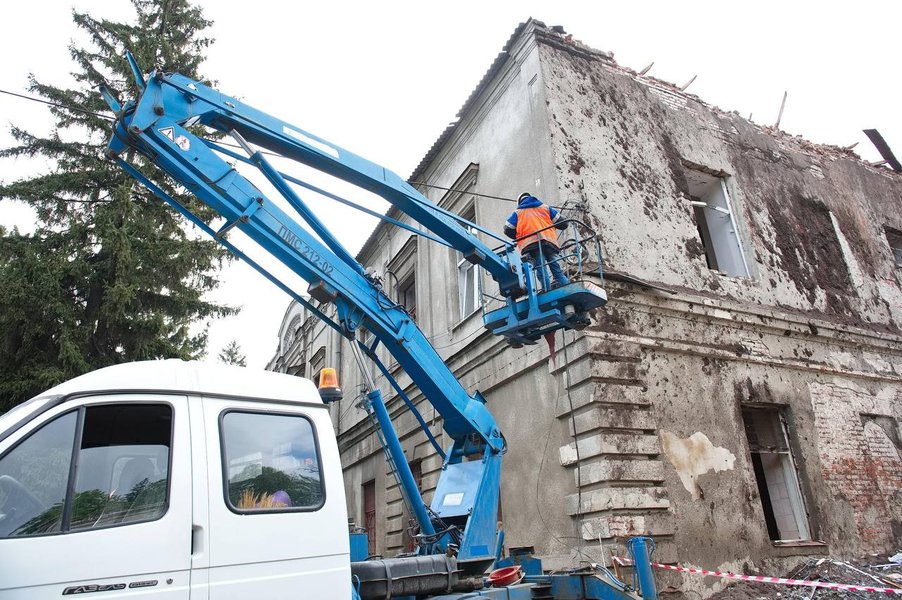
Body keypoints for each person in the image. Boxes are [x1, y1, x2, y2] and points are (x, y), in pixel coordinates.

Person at [504, 192, 569, 290]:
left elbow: (507, 229)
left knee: (541, 269)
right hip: (550, 243)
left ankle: (547, 291)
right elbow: (563, 224)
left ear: (519, 202)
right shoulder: (545, 208)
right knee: (557, 271)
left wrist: (519, 236)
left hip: (533, 244)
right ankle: (567, 287)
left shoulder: (518, 212)